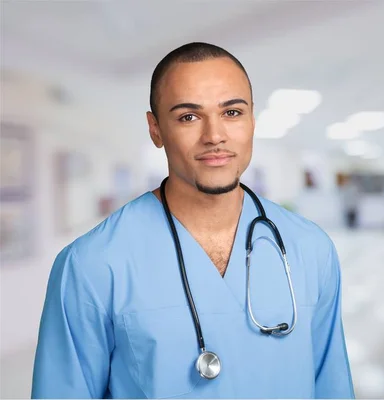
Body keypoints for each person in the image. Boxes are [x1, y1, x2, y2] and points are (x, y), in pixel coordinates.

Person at [31, 42, 355, 399]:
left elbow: (332, 386)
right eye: (188, 116)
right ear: (155, 129)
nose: (214, 136)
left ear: (252, 121)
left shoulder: (310, 247)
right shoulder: (92, 264)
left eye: (232, 112)